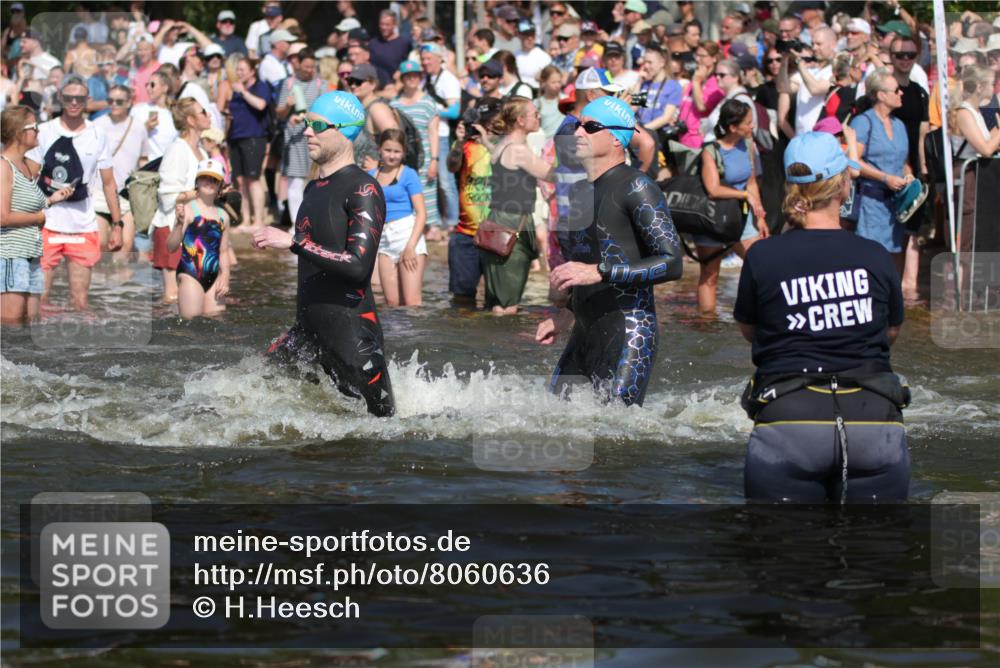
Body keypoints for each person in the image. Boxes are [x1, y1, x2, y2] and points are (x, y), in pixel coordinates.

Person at [734, 130, 909, 503]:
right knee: (880, 552)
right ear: (844, 186)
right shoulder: (875, 255)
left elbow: (751, 330)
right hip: (873, 419)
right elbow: (889, 331)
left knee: (781, 553)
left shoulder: (762, 256)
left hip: (789, 421)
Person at [251, 91, 395, 418]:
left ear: (343, 130)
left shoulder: (364, 190)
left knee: (375, 432)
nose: (307, 132)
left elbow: (358, 266)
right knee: (245, 393)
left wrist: (293, 242)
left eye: (316, 124)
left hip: (352, 339)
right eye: (305, 123)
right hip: (308, 331)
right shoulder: (313, 188)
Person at [536, 95, 682, 407]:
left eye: (590, 127)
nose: (577, 133)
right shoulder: (579, 192)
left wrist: (600, 271)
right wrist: (566, 313)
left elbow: (672, 263)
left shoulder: (637, 187)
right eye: (577, 125)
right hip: (585, 330)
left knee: (614, 440)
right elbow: (587, 262)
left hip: (629, 331)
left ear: (616, 138)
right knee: (554, 420)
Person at [25, 77, 124, 310]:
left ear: (87, 100)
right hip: (46, 222)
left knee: (80, 302)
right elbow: (29, 176)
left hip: (82, 224)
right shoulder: (46, 131)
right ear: (60, 97)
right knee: (40, 300)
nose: (73, 103)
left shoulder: (97, 134)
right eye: (69, 97)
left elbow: (109, 183)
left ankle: (77, 345)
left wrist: (117, 224)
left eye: (79, 98)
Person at [1, 105, 74, 325]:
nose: (38, 131)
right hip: (10, 255)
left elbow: (25, 205)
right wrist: (39, 218)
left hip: (31, 254)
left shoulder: (24, 165)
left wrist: (51, 200)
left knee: (32, 324)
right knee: (11, 326)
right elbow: (3, 217)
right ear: (17, 132)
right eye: (34, 127)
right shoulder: (3, 167)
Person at [694, 99, 768, 314]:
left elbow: (752, 181)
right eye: (748, 123)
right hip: (713, 218)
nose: (752, 126)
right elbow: (713, 189)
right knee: (710, 275)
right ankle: (707, 324)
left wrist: (760, 216)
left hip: (742, 219)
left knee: (762, 265)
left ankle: (759, 314)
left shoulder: (748, 145)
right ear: (733, 127)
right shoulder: (711, 151)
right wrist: (744, 194)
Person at [481, 96, 548, 315]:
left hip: (497, 220)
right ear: (520, 120)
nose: (538, 117)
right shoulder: (518, 150)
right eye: (534, 114)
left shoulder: (503, 144)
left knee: (496, 297)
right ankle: (504, 346)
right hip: (514, 223)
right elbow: (551, 174)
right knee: (508, 303)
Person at [849, 68, 911, 269]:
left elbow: (904, 162)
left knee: (895, 258)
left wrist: (909, 176)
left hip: (897, 205)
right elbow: (854, 160)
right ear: (881, 95)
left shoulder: (899, 125)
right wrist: (885, 178)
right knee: (871, 258)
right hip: (871, 203)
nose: (901, 93)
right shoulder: (863, 122)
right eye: (896, 90)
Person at [151, 98, 210, 303]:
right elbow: (167, 195)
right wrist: (203, 191)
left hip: (194, 229)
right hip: (171, 227)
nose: (209, 115)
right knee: (172, 295)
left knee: (191, 296)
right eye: (203, 112)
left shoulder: (202, 151)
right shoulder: (177, 149)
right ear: (191, 120)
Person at [446, 97, 502, 303]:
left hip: (496, 234)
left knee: (496, 300)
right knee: (462, 300)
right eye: (484, 123)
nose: (487, 128)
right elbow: (452, 166)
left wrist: (488, 141)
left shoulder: (506, 147)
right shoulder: (465, 146)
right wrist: (460, 140)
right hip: (465, 235)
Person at [166, 158, 231, 319]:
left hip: (214, 276)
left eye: (214, 179)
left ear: (220, 186)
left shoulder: (223, 216)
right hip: (190, 273)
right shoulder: (188, 210)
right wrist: (179, 225)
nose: (209, 182)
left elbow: (223, 251)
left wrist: (225, 277)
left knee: (215, 323)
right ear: (197, 181)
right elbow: (171, 247)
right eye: (204, 178)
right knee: (191, 324)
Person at [368, 128, 427, 306]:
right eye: (388, 150)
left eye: (397, 151)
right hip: (384, 239)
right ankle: (397, 335)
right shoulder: (371, 176)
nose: (392, 156)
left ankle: (416, 335)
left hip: (407, 235)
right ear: (379, 149)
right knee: (391, 303)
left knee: (411, 302)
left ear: (403, 152)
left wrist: (410, 246)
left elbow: (422, 213)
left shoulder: (409, 174)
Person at [93, 84, 147, 256]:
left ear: (129, 102)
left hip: (126, 193)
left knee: (126, 245)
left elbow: (143, 160)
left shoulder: (139, 127)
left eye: (119, 101)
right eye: (110, 101)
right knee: (100, 243)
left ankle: (117, 282)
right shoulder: (97, 125)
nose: (114, 104)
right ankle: (100, 282)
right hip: (99, 192)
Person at [218, 57, 270, 230]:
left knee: (253, 179)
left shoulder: (260, 86)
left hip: (254, 138)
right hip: (235, 137)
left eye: (242, 69)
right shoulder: (236, 90)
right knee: (240, 181)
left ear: (252, 71)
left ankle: (259, 221)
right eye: (237, 70)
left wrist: (244, 92)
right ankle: (246, 220)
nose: (239, 73)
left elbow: (261, 105)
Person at [391, 60, 441, 233]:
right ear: (403, 79)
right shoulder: (394, 104)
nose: (411, 79)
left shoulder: (428, 102)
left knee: (426, 191)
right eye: (408, 76)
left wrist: (434, 159)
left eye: (415, 76)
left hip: (425, 156)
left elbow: (433, 132)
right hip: (403, 157)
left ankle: (431, 227)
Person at [276, 49, 325, 222]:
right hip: (295, 138)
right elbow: (279, 114)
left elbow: (326, 111)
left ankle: (314, 222)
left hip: (317, 137)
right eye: (306, 66)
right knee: (295, 180)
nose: (310, 70)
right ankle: (297, 224)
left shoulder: (321, 84)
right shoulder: (289, 83)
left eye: (313, 67)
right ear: (298, 64)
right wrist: (288, 106)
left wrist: (311, 118)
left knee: (317, 180)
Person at [420, 43, 462, 235]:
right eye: (423, 59)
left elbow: (455, 111)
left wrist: (432, 111)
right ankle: (436, 222)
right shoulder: (426, 79)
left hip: (443, 135)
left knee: (446, 181)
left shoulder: (448, 79)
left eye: (428, 58)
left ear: (439, 58)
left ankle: (453, 222)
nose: (425, 62)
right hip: (427, 135)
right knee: (430, 181)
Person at [131, 70, 177, 161]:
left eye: (152, 85)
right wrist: (145, 128)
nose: (148, 88)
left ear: (165, 88)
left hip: (170, 165)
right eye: (146, 85)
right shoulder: (138, 110)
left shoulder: (176, 112)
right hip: (148, 168)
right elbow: (130, 140)